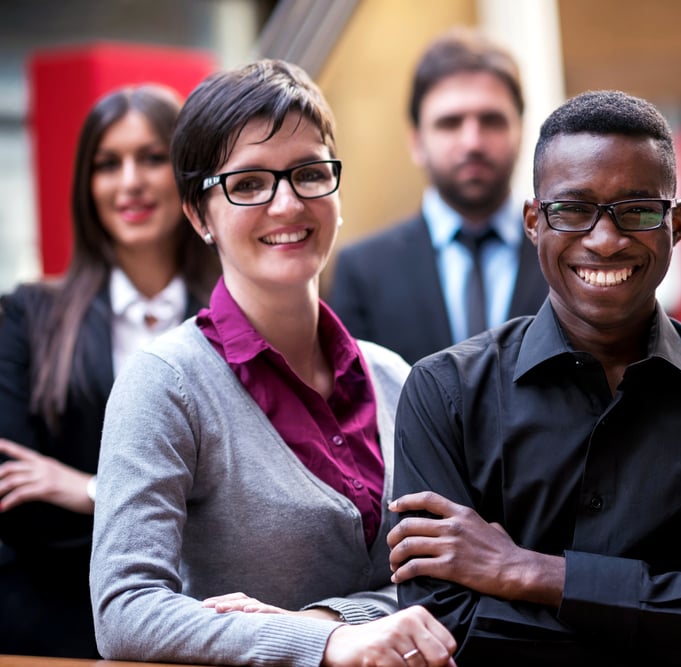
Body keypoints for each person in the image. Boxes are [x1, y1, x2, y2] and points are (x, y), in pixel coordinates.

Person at [386, 90, 681, 666]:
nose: (605, 239)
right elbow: (446, 639)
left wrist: (528, 572)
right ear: (532, 222)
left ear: (676, 224)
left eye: (638, 210)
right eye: (573, 209)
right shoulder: (443, 394)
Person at [90, 59, 456, 667]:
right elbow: (125, 611)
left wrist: (324, 620)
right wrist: (327, 643)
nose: (287, 204)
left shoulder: (396, 377)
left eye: (310, 174)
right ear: (198, 214)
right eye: (250, 183)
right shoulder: (165, 384)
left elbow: (444, 586)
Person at [0, 84, 219, 658]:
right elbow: (15, 495)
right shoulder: (28, 316)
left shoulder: (233, 317)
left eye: (151, 157)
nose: (130, 182)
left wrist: (91, 489)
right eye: (108, 163)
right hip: (52, 625)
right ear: (86, 185)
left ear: (186, 174)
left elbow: (248, 507)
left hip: (209, 622)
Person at [327, 26, 547, 364]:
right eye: (450, 123)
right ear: (416, 141)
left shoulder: (566, 255)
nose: (472, 142)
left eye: (491, 120)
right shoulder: (363, 272)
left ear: (520, 130)